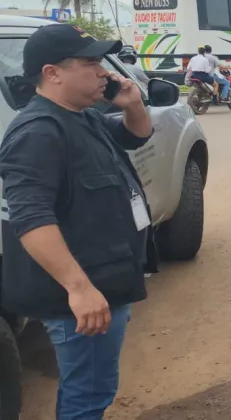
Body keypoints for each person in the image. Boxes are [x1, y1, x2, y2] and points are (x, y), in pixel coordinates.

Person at [0, 25, 153, 419]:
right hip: (81, 299)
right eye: (90, 63)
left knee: (94, 388)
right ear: (53, 73)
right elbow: (31, 219)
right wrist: (79, 288)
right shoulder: (38, 132)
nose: (103, 72)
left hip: (107, 280)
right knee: (87, 395)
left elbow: (136, 135)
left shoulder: (81, 117)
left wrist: (133, 104)